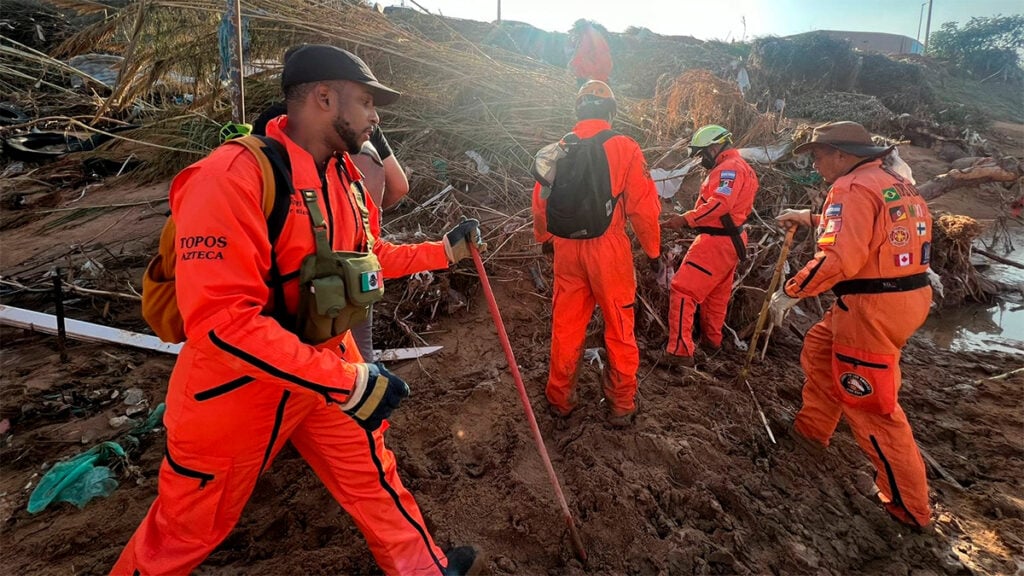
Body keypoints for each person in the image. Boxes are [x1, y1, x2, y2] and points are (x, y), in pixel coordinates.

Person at [113, 44, 484, 575]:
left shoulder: (343, 177)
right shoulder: (229, 178)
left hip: (324, 370)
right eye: (366, 100)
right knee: (181, 533)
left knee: (372, 472)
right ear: (325, 98)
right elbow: (222, 323)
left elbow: (366, 258)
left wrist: (441, 254)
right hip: (233, 396)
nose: (375, 116)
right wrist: (349, 383)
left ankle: (423, 569)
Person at [770, 121, 934, 529]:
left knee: (872, 408)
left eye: (819, 156)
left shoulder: (850, 188)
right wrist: (809, 216)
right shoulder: (889, 180)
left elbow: (840, 257)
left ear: (842, 155)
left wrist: (792, 291)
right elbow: (867, 227)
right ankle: (810, 435)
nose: (815, 165)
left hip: (872, 308)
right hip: (904, 297)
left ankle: (910, 509)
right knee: (820, 349)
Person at [531, 80, 661, 427]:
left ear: (578, 110)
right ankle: (621, 403)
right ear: (610, 111)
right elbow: (643, 207)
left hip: (566, 250)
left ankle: (560, 398)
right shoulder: (625, 146)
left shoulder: (559, 147)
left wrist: (544, 236)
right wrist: (652, 250)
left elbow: (540, 200)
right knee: (619, 326)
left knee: (566, 326)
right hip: (609, 249)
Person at [662, 125, 758, 367]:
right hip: (731, 242)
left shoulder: (729, 169)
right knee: (716, 296)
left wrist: (686, 219)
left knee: (683, 289)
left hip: (716, 242)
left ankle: (679, 352)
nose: (701, 159)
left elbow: (720, 204)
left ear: (715, 148)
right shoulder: (741, 167)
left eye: (703, 153)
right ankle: (711, 343)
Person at [568, 19, 612, 88]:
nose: (577, 32)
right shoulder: (590, 34)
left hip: (595, 69)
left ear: (582, 28)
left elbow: (583, 53)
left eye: (578, 29)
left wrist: (573, 63)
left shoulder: (589, 36)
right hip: (598, 68)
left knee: (592, 91)